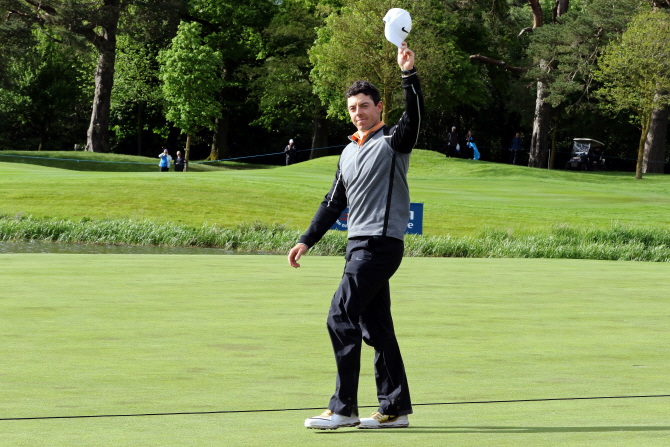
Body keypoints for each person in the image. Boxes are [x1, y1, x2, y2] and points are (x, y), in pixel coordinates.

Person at [288, 41, 423, 431]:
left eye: (364, 105)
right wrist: (306, 240)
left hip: (380, 246)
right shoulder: (347, 153)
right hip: (357, 248)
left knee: (339, 316)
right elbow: (333, 203)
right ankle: (394, 409)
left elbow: (414, 117)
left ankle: (343, 408)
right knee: (376, 328)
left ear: (380, 108)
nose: (358, 113)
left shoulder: (394, 142)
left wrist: (408, 74)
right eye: (352, 108)